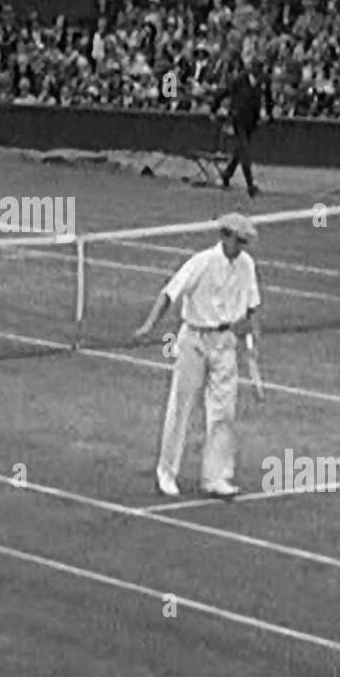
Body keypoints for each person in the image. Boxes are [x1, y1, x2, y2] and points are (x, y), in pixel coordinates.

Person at [134, 213, 261, 499]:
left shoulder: (246, 265)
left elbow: (252, 306)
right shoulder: (201, 262)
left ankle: (216, 477)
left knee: (224, 411)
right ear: (224, 236)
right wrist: (148, 325)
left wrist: (253, 342)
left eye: (244, 242)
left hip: (225, 340)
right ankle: (166, 473)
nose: (241, 246)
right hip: (194, 339)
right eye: (238, 240)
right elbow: (169, 293)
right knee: (180, 406)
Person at [213, 63, 263, 197]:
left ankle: (227, 174)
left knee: (240, 149)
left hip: (250, 120)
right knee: (244, 149)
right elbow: (226, 91)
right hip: (239, 118)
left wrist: (261, 116)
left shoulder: (260, 81)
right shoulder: (240, 79)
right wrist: (215, 106)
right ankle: (250, 185)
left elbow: (260, 100)